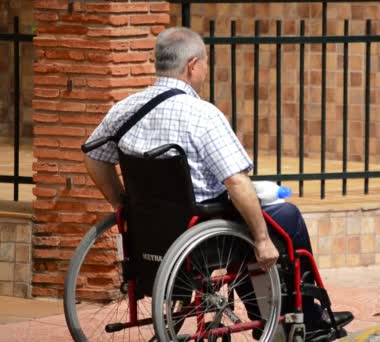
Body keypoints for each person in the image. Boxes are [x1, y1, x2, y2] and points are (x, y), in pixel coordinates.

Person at [83, 27, 352, 336]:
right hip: (203, 232)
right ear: (192, 65)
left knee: (249, 218)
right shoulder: (202, 115)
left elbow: (93, 157)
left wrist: (122, 204)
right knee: (283, 217)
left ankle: (266, 313)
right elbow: (237, 182)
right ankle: (310, 320)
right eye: (206, 64)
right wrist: (262, 239)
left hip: (151, 233)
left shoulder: (125, 108)